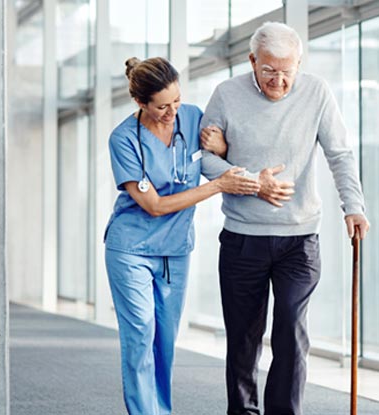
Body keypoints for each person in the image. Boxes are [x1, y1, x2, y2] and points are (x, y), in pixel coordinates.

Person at [198, 22, 370, 415]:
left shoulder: (317, 92)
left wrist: (354, 206)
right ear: (252, 61)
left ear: (299, 63)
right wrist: (251, 183)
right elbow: (204, 159)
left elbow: (339, 154)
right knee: (243, 338)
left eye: (286, 71)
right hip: (243, 239)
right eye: (269, 70)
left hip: (299, 240)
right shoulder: (226, 94)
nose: (278, 80)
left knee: (291, 332)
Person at [104, 56, 260, 415]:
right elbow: (155, 206)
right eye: (161, 106)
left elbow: (212, 152)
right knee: (141, 334)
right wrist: (219, 186)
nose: (172, 111)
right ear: (141, 103)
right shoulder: (124, 139)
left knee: (165, 343)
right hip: (132, 249)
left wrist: (220, 148)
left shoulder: (190, 116)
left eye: (176, 100)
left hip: (174, 250)